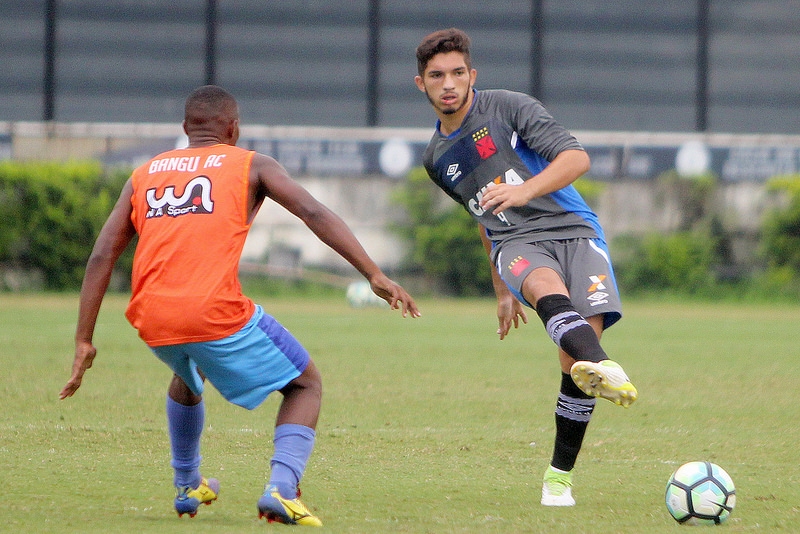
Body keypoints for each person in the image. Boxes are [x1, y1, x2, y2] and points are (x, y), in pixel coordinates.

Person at [59, 85, 421, 526]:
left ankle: (187, 483)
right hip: (212, 311)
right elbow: (313, 212)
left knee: (189, 373)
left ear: (185, 128)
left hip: (151, 316)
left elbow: (102, 254)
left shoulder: (145, 173)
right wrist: (373, 273)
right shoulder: (252, 164)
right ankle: (282, 489)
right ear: (233, 128)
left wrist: (84, 339)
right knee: (305, 385)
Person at [414, 28, 637, 507]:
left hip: (575, 229)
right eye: (436, 76)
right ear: (422, 84)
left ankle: (559, 476)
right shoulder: (436, 158)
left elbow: (576, 158)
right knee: (545, 290)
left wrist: (523, 190)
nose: (448, 84)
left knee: (573, 365)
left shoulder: (510, 107)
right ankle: (605, 365)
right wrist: (502, 289)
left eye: (457, 73)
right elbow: (482, 214)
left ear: (472, 75)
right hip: (515, 241)